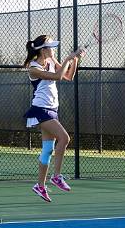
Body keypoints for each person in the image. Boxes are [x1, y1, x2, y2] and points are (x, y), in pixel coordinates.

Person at [23, 35, 85, 202]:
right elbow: (57, 76)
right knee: (64, 138)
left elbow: (68, 76)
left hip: (52, 109)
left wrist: (75, 60)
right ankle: (56, 176)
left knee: (48, 150)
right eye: (50, 47)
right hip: (40, 109)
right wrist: (68, 58)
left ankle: (40, 186)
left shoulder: (51, 60)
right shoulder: (33, 68)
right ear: (43, 50)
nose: (52, 49)